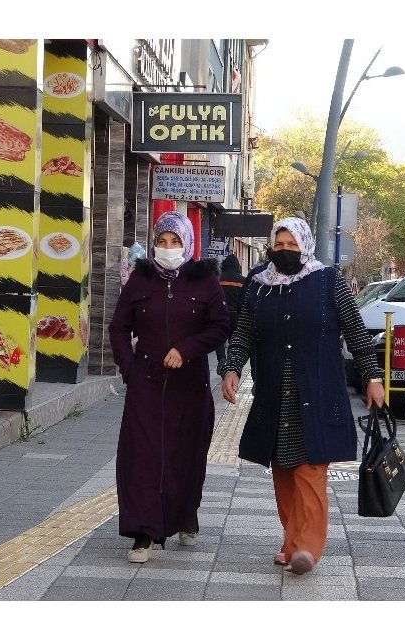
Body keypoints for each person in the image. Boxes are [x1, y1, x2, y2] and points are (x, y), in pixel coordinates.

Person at [218, 217, 385, 575]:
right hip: (274, 394)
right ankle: (292, 541)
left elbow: (355, 330)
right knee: (283, 472)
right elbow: (245, 331)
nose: (285, 252)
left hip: (318, 393)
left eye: (292, 245)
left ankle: (307, 547)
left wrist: (372, 376)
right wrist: (231, 368)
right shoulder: (258, 285)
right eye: (279, 246)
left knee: (310, 470)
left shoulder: (327, 282)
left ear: (305, 246)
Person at [109, 212, 230, 563]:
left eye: (175, 242)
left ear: (187, 244)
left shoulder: (204, 281)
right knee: (142, 457)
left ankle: (186, 512)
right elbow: (118, 327)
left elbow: (220, 326)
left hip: (189, 386)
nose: (167, 248)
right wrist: (129, 368)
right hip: (146, 383)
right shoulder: (140, 280)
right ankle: (143, 533)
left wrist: (187, 350)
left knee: (185, 456)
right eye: (161, 242)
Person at [214, 254, 244, 370]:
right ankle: (231, 361)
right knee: (234, 339)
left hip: (221, 314)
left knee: (219, 338)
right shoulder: (242, 281)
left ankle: (221, 358)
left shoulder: (218, 279)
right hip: (236, 314)